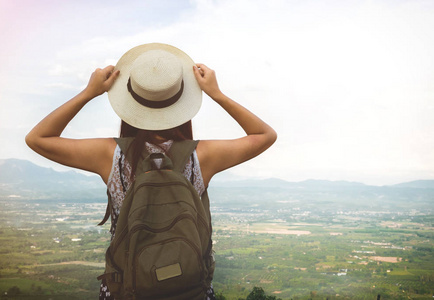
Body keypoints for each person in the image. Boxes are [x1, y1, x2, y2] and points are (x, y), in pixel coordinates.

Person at [25, 43, 277, 299]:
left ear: (129, 104)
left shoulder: (109, 155)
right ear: (182, 104)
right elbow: (265, 135)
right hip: (189, 289)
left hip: (127, 289)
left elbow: (37, 139)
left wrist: (88, 93)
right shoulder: (202, 156)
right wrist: (216, 94)